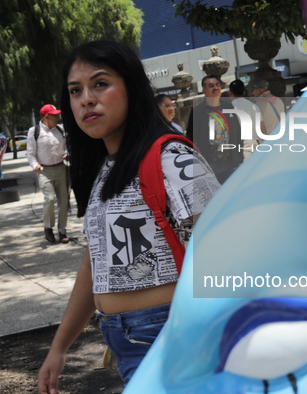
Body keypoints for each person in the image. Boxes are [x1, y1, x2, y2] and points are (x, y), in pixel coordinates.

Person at [37, 40, 220, 393]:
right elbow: (95, 267)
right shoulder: (104, 168)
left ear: (132, 87)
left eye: (100, 84)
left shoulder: (173, 157)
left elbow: (225, 251)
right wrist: (60, 348)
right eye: (75, 91)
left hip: (172, 334)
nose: (86, 99)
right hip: (123, 339)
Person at [186, 75, 243, 183]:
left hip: (231, 164)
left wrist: (240, 159)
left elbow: (238, 133)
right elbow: (190, 140)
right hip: (209, 166)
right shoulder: (197, 112)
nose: (215, 88)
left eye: (217, 85)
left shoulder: (229, 107)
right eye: (211, 86)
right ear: (204, 91)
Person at [27, 104, 70, 244]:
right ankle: (48, 228)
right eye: (54, 115)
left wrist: (66, 154)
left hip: (61, 169)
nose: (57, 117)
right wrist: (35, 165)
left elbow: (65, 148)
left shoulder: (60, 130)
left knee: (64, 201)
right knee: (49, 199)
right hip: (44, 171)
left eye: (58, 114)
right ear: (46, 117)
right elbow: (31, 154)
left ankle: (62, 231)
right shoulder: (34, 131)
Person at [228, 79, 260, 160]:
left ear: (230, 93)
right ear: (244, 92)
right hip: (255, 144)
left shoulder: (228, 109)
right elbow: (262, 129)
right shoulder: (254, 106)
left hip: (241, 147)